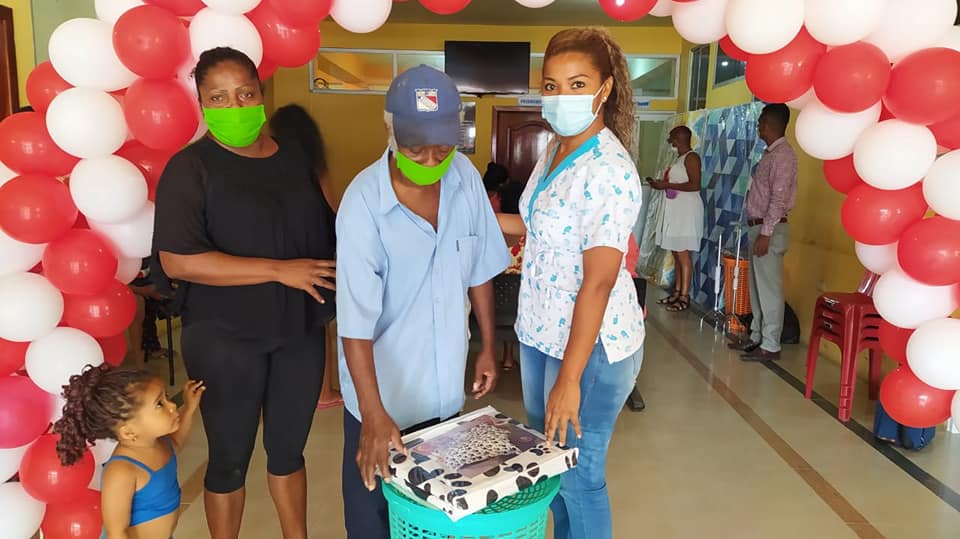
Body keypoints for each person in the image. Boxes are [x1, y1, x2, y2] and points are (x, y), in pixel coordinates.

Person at [153, 47, 336, 539]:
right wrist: (278, 271)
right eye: (219, 98)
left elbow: (324, 232)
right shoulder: (190, 168)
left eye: (244, 94)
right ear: (202, 104)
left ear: (260, 93)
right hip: (224, 338)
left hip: (297, 330)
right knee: (229, 458)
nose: (234, 106)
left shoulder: (293, 157)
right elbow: (179, 261)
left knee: (289, 451)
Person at [336, 65, 510, 538]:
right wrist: (373, 414)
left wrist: (487, 347)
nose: (431, 160)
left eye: (442, 148)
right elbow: (354, 324)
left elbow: (478, 267)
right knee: (373, 519)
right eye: (416, 149)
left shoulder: (465, 180)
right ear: (390, 130)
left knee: (434, 518)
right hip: (383, 399)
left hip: (444, 393)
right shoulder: (363, 205)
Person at [496, 27, 644, 539]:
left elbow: (599, 282)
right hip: (541, 331)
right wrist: (471, 215)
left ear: (604, 89)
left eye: (577, 84)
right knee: (551, 467)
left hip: (590, 348)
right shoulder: (555, 150)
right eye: (551, 85)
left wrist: (570, 379)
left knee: (578, 476)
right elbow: (537, 223)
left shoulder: (610, 170)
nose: (561, 97)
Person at [54, 365, 204, 539]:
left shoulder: (159, 442)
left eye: (167, 397)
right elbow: (116, 533)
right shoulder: (121, 471)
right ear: (128, 432)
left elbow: (176, 444)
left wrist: (189, 409)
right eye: (159, 404)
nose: (172, 406)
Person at [269, 104, 342, 409]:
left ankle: (282, 388)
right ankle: (323, 392)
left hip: (278, 262)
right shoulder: (315, 170)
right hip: (317, 260)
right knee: (317, 326)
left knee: (281, 326)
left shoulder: (268, 170)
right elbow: (333, 214)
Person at [730, 103, 798, 362]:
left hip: (770, 229)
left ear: (770, 124)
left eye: (761, 121)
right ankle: (757, 336)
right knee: (757, 288)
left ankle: (771, 344)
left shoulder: (783, 156)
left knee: (769, 289)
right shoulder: (770, 154)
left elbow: (778, 200)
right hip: (758, 226)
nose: (759, 126)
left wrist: (766, 234)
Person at [648, 125, 704, 312]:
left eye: (671, 139)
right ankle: (677, 292)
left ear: (678, 139)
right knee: (676, 253)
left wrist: (668, 185)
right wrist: (662, 184)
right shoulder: (679, 159)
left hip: (686, 213)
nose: (669, 143)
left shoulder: (692, 157)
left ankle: (684, 297)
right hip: (677, 212)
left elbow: (695, 185)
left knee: (683, 254)